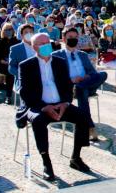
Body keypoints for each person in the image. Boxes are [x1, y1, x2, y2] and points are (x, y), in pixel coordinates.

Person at [18, 33, 91, 181]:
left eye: (47, 42)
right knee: (38, 121)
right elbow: (24, 92)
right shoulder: (26, 65)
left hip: (60, 104)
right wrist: (44, 107)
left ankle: (76, 157)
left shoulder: (60, 62)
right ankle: (47, 163)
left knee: (83, 116)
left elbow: (67, 86)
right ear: (34, 47)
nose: (46, 46)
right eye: (41, 44)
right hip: (38, 107)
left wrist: (65, 103)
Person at [53, 27, 107, 141]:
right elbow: (56, 77)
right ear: (64, 38)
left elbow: (92, 72)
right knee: (82, 91)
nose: (74, 39)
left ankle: (79, 88)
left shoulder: (82, 54)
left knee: (103, 74)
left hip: (86, 83)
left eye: (76, 37)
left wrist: (86, 77)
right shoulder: (57, 55)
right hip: (70, 86)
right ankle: (89, 127)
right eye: (70, 37)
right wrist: (72, 80)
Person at [0, 23, 19, 103]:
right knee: (10, 72)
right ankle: (8, 96)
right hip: (2, 64)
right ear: (3, 31)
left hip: (14, 63)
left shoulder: (17, 41)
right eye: (6, 30)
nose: (8, 31)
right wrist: (5, 62)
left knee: (12, 70)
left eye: (10, 29)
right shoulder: (0, 42)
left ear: (13, 31)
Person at [9, 24, 37, 93]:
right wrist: (22, 75)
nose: (29, 34)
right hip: (24, 79)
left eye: (31, 32)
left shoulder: (40, 46)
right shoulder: (15, 49)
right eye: (26, 32)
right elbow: (11, 67)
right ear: (21, 35)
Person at [99, 23, 116, 93]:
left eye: (110, 29)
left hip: (114, 59)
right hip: (105, 60)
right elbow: (103, 49)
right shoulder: (101, 40)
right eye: (107, 29)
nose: (109, 30)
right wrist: (113, 51)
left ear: (113, 30)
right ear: (104, 31)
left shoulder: (115, 40)